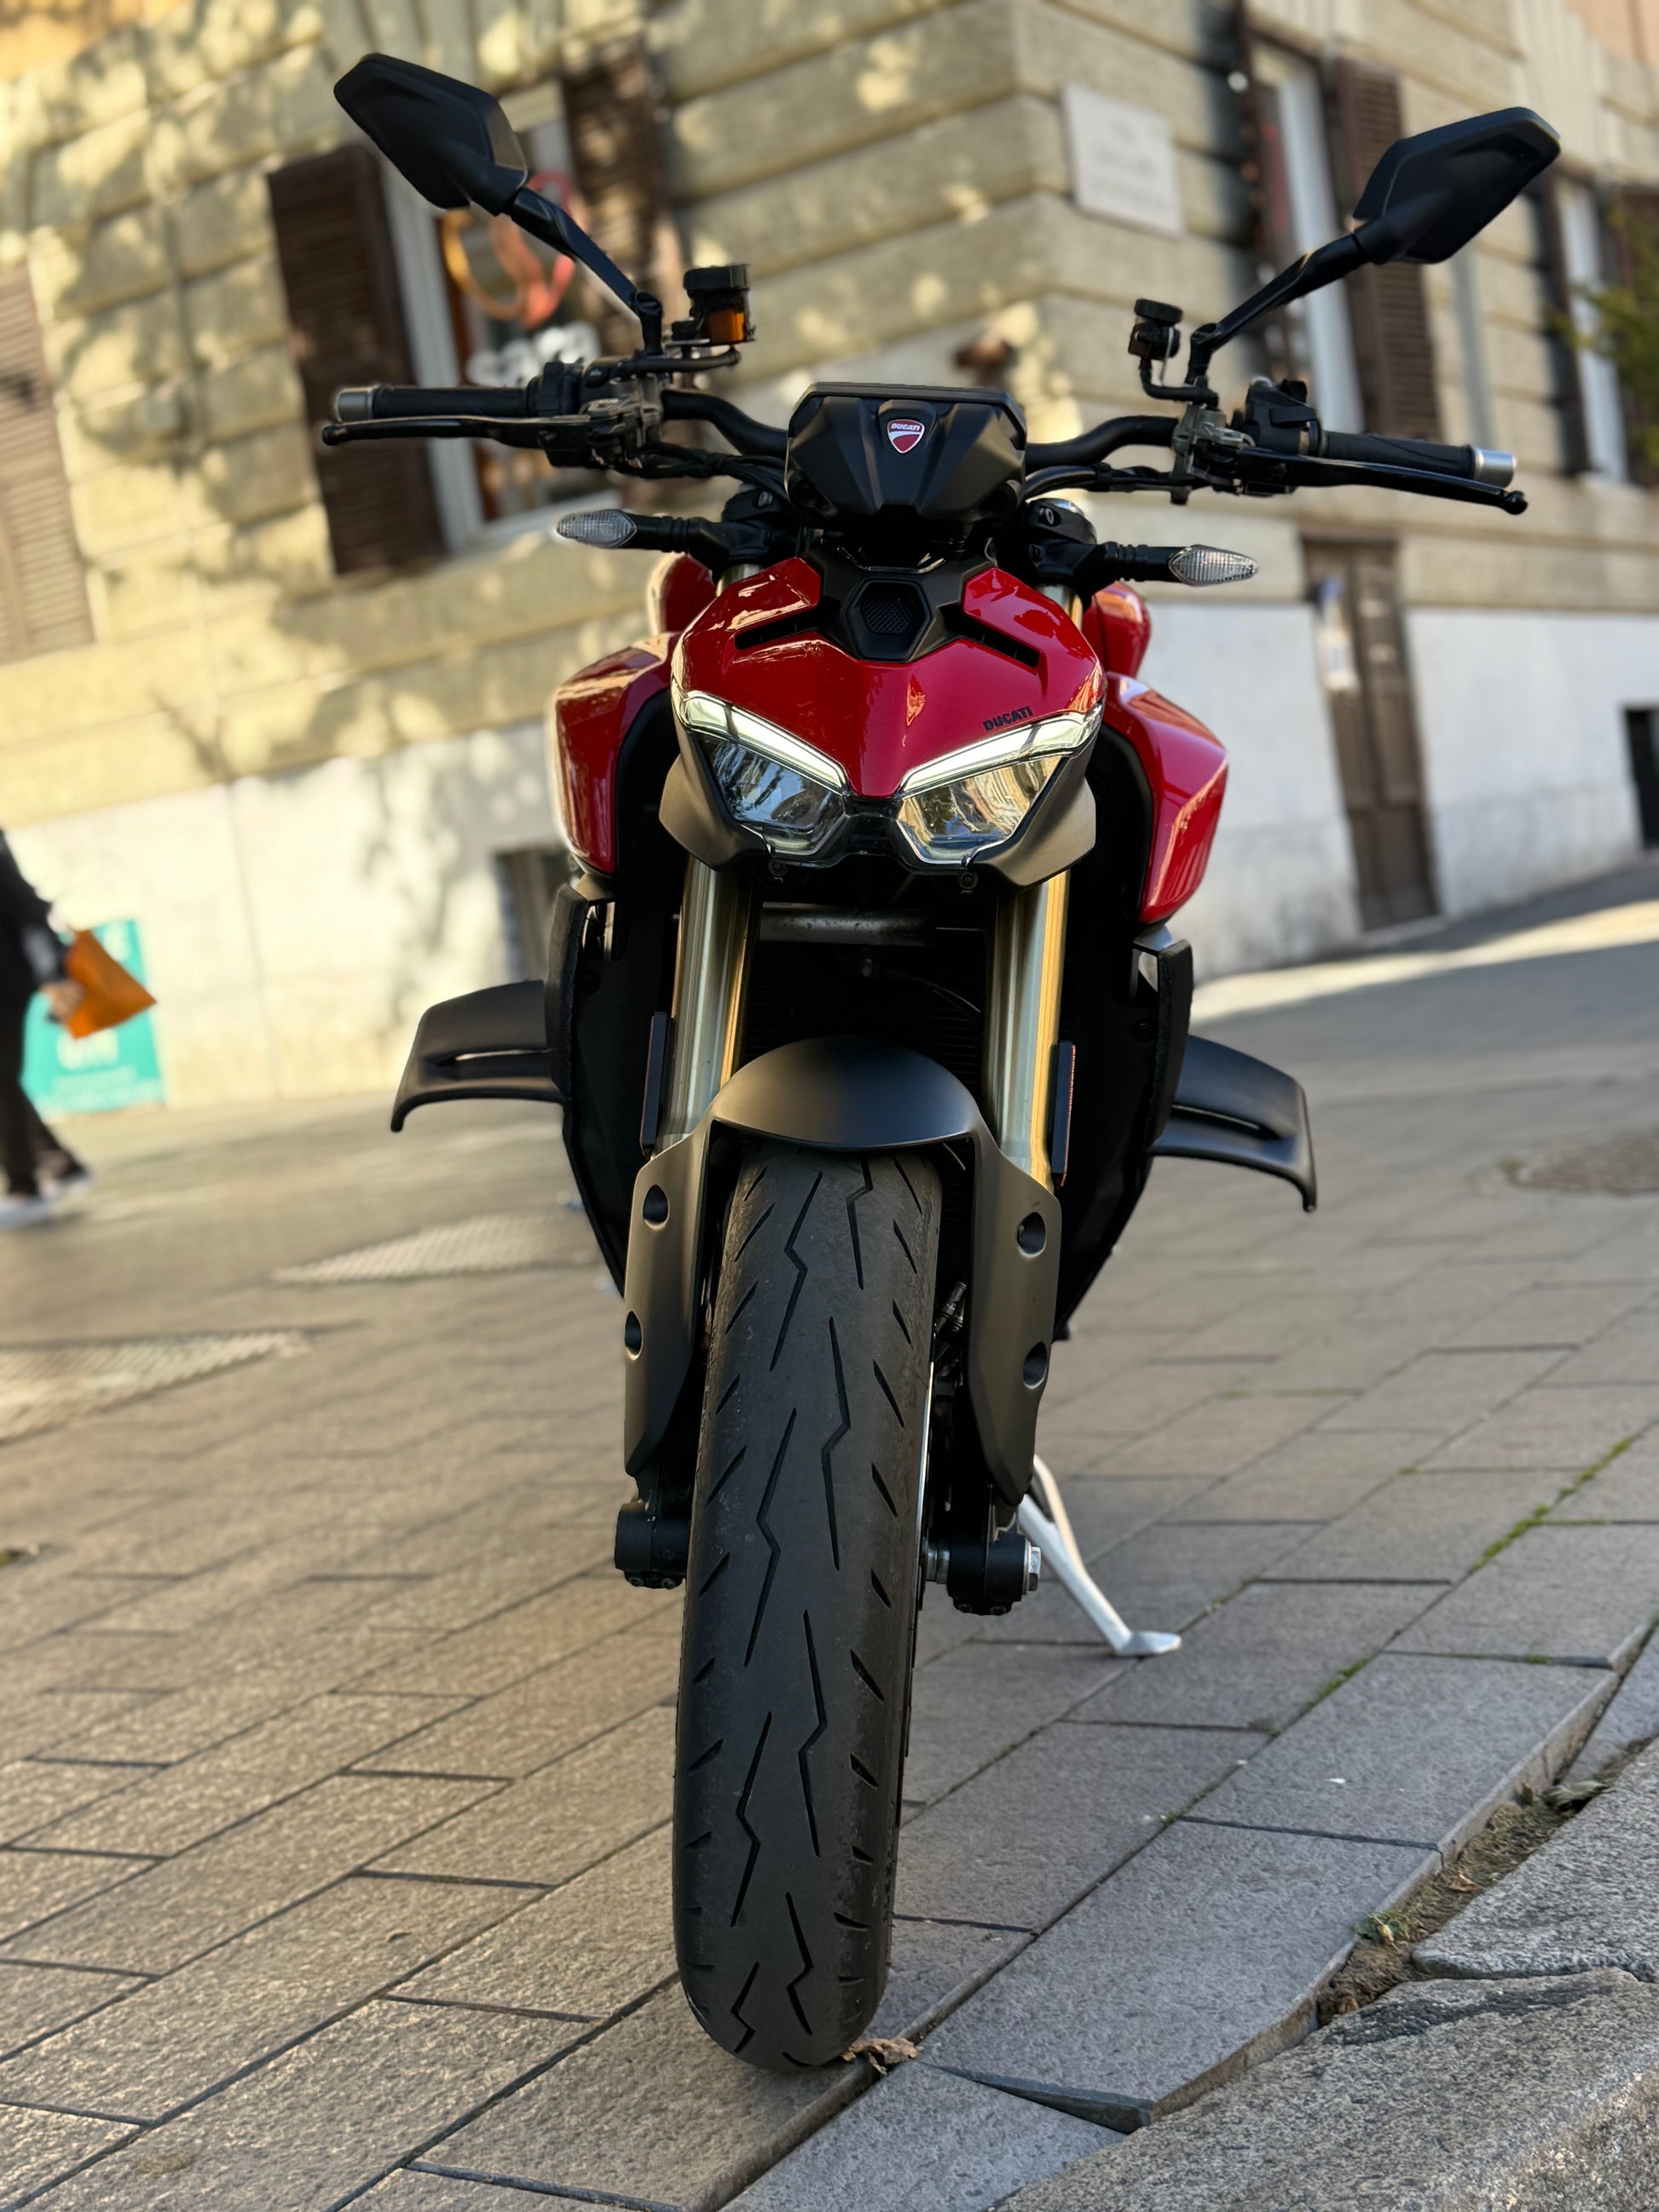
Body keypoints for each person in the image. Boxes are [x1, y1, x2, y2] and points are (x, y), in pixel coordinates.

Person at [0, 829, 91, 1225]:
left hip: (4, 983)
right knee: (3, 1081)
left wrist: (52, 974)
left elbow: (24, 906)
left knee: (1, 1080)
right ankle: (59, 1163)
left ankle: (25, 1187)